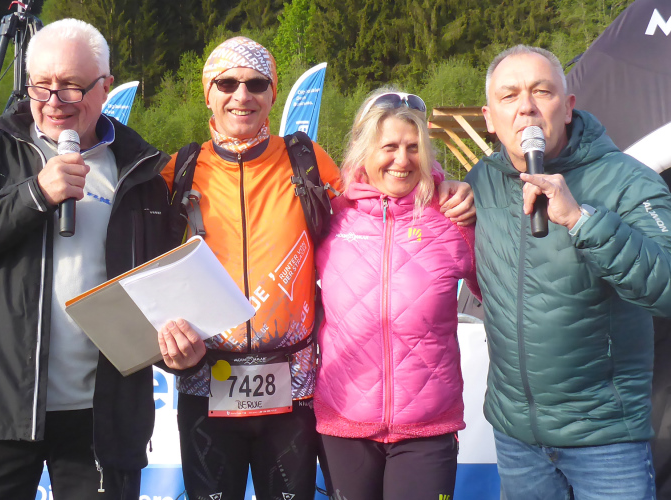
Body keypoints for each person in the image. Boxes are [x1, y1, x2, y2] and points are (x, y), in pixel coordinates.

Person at [154, 37, 476, 500]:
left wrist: (443, 186)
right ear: (208, 93)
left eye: (256, 84)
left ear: (272, 94)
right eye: (226, 83)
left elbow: (378, 192)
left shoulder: (305, 161)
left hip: (294, 386)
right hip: (207, 379)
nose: (242, 95)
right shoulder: (180, 170)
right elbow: (146, 269)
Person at [0, 19, 176, 500]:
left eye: (72, 86)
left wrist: (178, 353)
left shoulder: (143, 170)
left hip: (101, 421)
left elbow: (163, 288)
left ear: (105, 86)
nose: (54, 101)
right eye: (41, 85)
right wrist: (34, 195)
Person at [466, 44, 671, 500]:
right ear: (489, 117)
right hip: (517, 439)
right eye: (509, 95)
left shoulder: (627, 180)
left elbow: (667, 287)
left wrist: (582, 220)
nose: (526, 107)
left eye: (542, 91)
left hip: (606, 439)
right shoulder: (480, 182)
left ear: (568, 106)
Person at [313, 88, 480, 500]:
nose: (402, 160)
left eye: (413, 147)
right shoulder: (330, 217)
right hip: (344, 423)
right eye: (389, 147)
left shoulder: (453, 217)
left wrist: (479, 208)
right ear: (363, 150)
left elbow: (503, 295)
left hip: (427, 428)